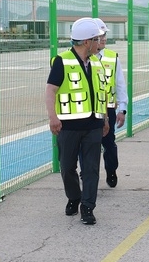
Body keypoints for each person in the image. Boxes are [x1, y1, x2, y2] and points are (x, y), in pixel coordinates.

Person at [45, 17, 109, 225]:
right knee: (67, 167)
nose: (99, 43)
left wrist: (105, 119)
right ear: (86, 42)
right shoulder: (62, 61)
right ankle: (74, 197)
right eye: (96, 39)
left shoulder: (97, 62)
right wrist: (52, 117)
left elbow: (103, 93)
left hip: (93, 125)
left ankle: (88, 207)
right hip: (68, 126)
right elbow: (51, 90)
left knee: (91, 168)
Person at [94, 18, 128, 188]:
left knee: (109, 143)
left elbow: (120, 84)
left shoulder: (113, 57)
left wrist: (123, 108)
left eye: (105, 34)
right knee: (87, 144)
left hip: (108, 108)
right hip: (88, 108)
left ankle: (111, 170)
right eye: (100, 35)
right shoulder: (82, 57)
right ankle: (86, 171)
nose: (104, 38)